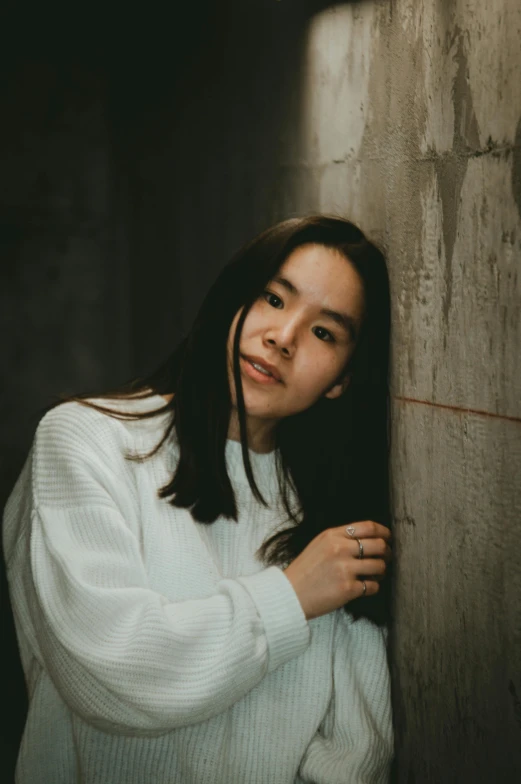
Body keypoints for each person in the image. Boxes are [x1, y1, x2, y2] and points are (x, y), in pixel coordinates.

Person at [3, 215, 395, 783]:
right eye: (273, 298)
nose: (283, 338)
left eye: (324, 333)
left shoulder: (337, 527)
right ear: (230, 303)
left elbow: (354, 755)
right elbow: (111, 675)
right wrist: (290, 598)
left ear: (342, 379)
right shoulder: (86, 442)